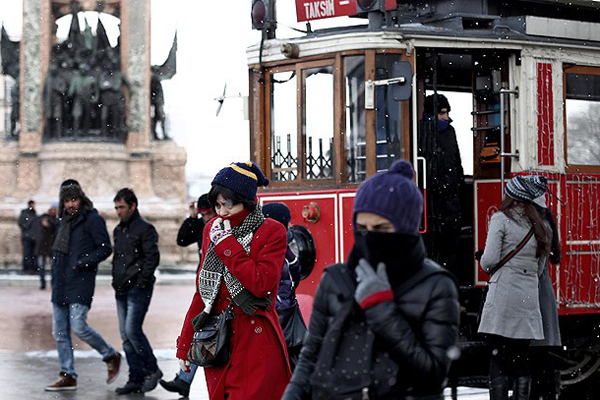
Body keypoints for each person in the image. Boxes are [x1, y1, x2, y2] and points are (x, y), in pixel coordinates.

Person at [282, 160, 460, 400]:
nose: (369, 237)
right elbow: (310, 360)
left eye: (382, 228)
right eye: (362, 227)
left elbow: (433, 374)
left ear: (406, 228)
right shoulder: (337, 279)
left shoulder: (435, 285)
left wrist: (382, 310)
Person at [176, 161, 291, 399]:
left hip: (255, 338)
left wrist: (228, 245)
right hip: (218, 342)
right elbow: (203, 292)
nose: (221, 212)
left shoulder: (272, 231)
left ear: (246, 200)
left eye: (227, 205)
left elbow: (261, 285)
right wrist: (185, 344)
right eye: (217, 205)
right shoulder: (212, 230)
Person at [477, 175, 552, 400]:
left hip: (503, 298)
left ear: (512, 196)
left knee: (498, 359)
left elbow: (489, 261)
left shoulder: (501, 219)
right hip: (527, 301)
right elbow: (539, 270)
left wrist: (483, 262)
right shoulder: (543, 226)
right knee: (522, 361)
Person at [45, 180, 121, 392]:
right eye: (66, 200)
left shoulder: (92, 219)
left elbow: (105, 248)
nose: (70, 204)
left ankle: (110, 355)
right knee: (59, 332)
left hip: (80, 281)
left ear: (81, 199)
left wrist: (82, 262)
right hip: (60, 281)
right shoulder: (62, 221)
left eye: (73, 199)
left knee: (78, 325)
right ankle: (68, 374)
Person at [160, 193, 216, 397]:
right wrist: (192, 219)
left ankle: (184, 380)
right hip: (203, 287)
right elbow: (182, 240)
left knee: (202, 333)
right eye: (203, 215)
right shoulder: (202, 225)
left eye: (209, 213)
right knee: (199, 333)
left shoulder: (222, 227)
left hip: (215, 290)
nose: (207, 218)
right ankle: (184, 379)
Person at [111, 188, 162, 394]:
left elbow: (152, 258)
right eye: (116, 208)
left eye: (121, 207)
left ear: (133, 206)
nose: (118, 211)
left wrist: (142, 281)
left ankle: (152, 369)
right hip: (121, 288)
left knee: (133, 331)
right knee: (125, 336)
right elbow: (118, 259)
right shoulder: (118, 230)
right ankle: (136, 378)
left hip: (138, 288)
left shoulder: (145, 229)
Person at [418, 94, 464, 277]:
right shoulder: (421, 131)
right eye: (442, 113)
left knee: (452, 246)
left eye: (447, 113)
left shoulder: (450, 131)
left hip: (450, 197)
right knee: (434, 246)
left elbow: (457, 160)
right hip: (432, 199)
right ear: (432, 113)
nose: (446, 117)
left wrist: (457, 182)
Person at [529, 180, 562, 400]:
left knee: (538, 353)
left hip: (536, 293)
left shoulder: (539, 226)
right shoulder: (546, 223)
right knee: (545, 352)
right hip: (543, 292)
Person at [262, 202, 304, 370]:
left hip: (268, 314)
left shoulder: (260, 245)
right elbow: (295, 276)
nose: (292, 225)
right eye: (288, 221)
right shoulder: (284, 248)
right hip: (283, 312)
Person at [34, 202, 58, 290]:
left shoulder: (56, 220)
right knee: (41, 266)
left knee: (53, 267)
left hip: (51, 246)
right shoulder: (43, 218)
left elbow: (53, 228)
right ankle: (43, 284)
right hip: (42, 246)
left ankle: (53, 283)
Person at [18, 200, 38, 275]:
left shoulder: (34, 213)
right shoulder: (24, 213)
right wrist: (27, 227)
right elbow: (21, 223)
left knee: (33, 254)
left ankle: (33, 269)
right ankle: (26, 269)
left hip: (34, 238)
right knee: (27, 253)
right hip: (26, 237)